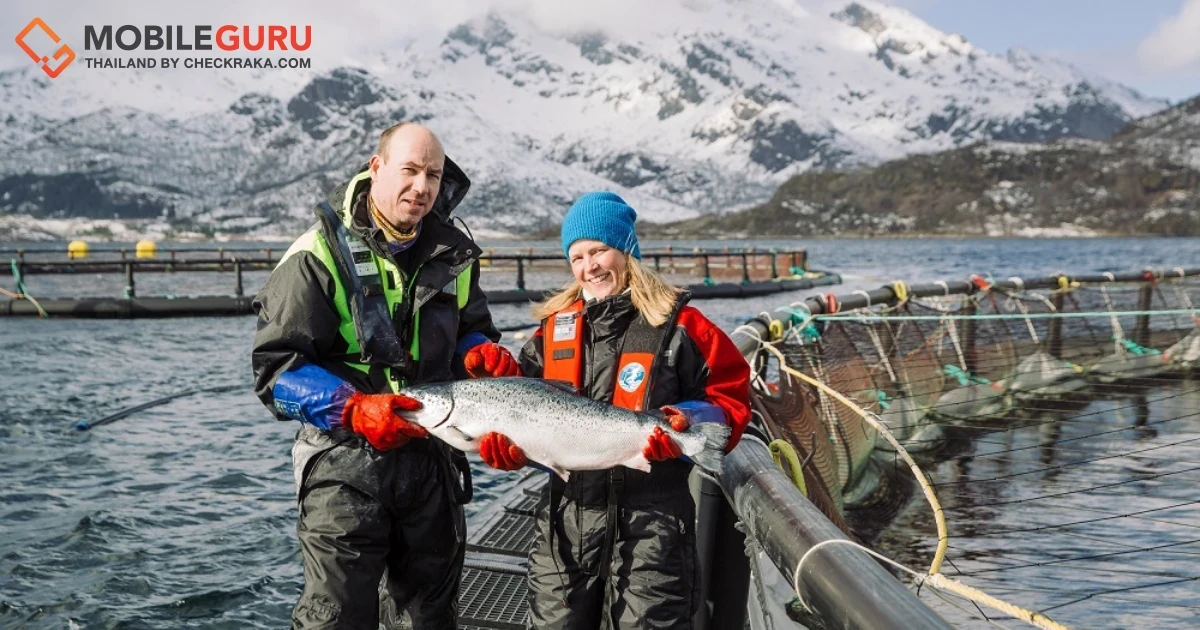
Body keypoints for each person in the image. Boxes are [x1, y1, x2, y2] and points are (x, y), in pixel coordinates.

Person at [251, 123, 520, 630]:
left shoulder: (456, 255)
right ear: (376, 168)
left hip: (434, 461)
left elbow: (471, 331)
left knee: (429, 618)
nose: (422, 187)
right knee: (334, 619)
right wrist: (354, 409)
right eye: (410, 170)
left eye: (433, 176)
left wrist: (480, 355)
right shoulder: (315, 254)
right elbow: (276, 371)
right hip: (343, 466)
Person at [473, 192, 751, 629]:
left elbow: (730, 399)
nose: (590, 267)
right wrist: (511, 447)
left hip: (654, 528)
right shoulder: (552, 331)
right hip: (563, 527)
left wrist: (688, 421)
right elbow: (522, 405)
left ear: (626, 250)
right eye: (577, 257)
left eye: (599, 250)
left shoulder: (684, 326)